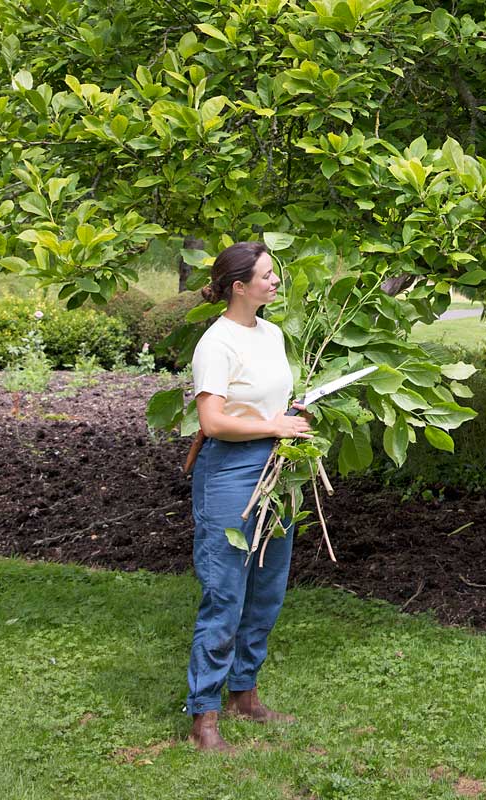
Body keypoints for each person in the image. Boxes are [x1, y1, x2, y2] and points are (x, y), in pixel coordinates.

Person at [185, 241, 312, 753]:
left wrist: (292, 413)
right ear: (239, 287)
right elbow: (213, 421)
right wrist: (271, 425)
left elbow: (267, 400)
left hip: (275, 472)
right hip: (231, 473)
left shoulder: (273, 333)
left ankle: (245, 693)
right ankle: (204, 718)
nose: (275, 281)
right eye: (266, 275)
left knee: (267, 590)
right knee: (225, 594)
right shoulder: (216, 343)